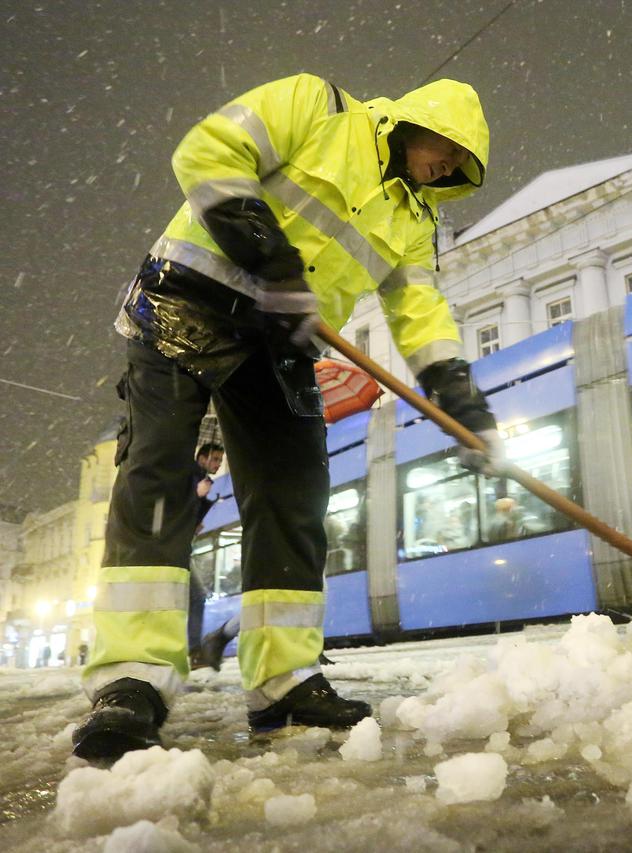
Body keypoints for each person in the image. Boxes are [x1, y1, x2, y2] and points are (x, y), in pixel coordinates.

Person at [74, 73, 502, 762]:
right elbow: (208, 152)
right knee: (157, 478)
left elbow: (419, 309)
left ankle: (284, 683)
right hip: (190, 298)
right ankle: (133, 681)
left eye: (461, 165)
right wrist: (270, 255)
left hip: (280, 339)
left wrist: (457, 389)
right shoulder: (317, 106)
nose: (449, 167)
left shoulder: (415, 221)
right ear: (415, 122)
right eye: (448, 149)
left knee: (294, 498)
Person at [187, 442, 224, 668]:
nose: (218, 465)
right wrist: (196, 496)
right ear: (202, 457)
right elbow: (177, 506)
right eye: (215, 459)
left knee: (196, 596)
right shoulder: (192, 476)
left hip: (183, 546)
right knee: (197, 596)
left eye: (221, 461)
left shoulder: (201, 478)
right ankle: (194, 651)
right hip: (176, 548)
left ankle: (194, 650)